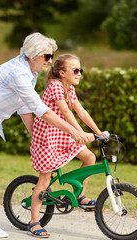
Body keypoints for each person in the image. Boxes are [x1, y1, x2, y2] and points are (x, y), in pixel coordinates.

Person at [0, 33, 94, 238]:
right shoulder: (18, 73)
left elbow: (24, 107)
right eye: (47, 57)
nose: (50, 62)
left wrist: (36, 135)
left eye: (51, 57)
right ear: (33, 55)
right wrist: (75, 131)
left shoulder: (30, 73)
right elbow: (42, 111)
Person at [28, 54, 103, 238]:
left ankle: (79, 195)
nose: (79, 73)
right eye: (75, 70)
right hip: (48, 137)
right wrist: (80, 133)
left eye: (80, 70)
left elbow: (81, 112)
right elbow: (65, 111)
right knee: (45, 179)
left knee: (89, 157)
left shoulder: (69, 88)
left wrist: (99, 132)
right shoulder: (55, 86)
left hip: (62, 133)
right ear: (61, 73)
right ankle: (33, 222)